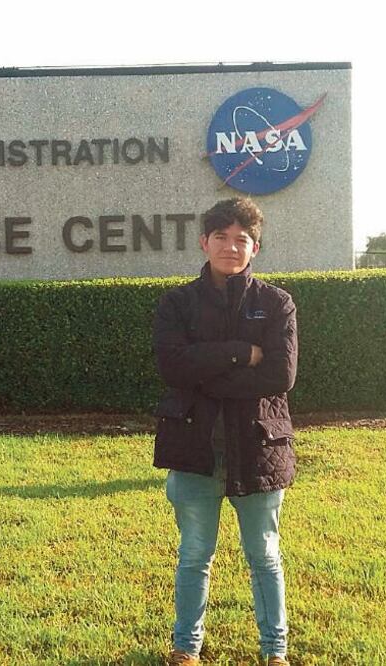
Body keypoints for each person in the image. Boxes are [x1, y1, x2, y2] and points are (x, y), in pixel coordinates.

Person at [152, 197, 298, 666]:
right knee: (195, 555)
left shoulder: (276, 304)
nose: (231, 247)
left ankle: (275, 652)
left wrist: (206, 368)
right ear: (204, 242)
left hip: (258, 448)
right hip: (194, 448)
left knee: (264, 556)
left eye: (242, 239)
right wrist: (241, 351)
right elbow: (171, 365)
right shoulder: (177, 303)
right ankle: (185, 649)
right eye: (221, 237)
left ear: (255, 248)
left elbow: (280, 375)